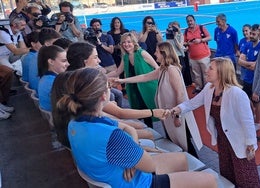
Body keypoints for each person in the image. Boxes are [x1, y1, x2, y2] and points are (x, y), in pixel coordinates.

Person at [55, 67, 217, 188]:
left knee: (182, 158)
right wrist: (131, 159)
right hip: (137, 184)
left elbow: (128, 131)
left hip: (114, 176)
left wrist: (129, 159)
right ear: (104, 96)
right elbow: (150, 166)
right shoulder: (111, 136)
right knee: (210, 180)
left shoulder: (75, 123)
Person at [171, 57, 260, 187]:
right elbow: (193, 103)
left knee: (245, 178)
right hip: (223, 140)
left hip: (239, 142)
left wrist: (250, 144)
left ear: (221, 72)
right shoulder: (209, 88)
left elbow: (247, 121)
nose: (206, 71)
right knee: (227, 174)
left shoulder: (236, 93)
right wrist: (177, 110)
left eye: (211, 68)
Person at [113, 42, 203, 157]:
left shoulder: (172, 70)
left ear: (164, 53)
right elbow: (144, 77)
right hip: (169, 115)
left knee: (185, 144)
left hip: (176, 114)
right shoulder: (163, 69)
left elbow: (180, 94)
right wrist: (122, 81)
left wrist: (177, 116)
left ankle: (193, 169)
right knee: (176, 142)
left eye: (157, 51)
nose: (154, 53)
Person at [108, 32, 159, 128]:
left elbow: (157, 68)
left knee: (152, 111)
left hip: (148, 87)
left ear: (134, 42)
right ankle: (149, 131)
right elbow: (117, 72)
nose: (126, 44)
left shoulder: (142, 53)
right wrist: (103, 76)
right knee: (142, 112)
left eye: (129, 42)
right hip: (134, 89)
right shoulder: (125, 57)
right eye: (124, 42)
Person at [66, 42, 123, 107]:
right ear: (85, 61)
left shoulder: (77, 75)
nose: (99, 61)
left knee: (117, 94)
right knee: (111, 96)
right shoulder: (78, 81)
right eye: (95, 57)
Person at [238, 24, 260, 131]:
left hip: (256, 80)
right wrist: (249, 64)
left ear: (259, 34)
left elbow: (256, 66)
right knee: (247, 101)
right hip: (247, 79)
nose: (251, 35)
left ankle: (257, 123)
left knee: (257, 102)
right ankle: (251, 117)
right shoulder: (247, 45)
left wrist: (247, 63)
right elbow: (240, 61)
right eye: (250, 33)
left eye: (253, 34)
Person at [184, 15, 211, 94]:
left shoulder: (201, 28)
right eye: (188, 21)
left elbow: (209, 37)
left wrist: (200, 40)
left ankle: (207, 89)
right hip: (193, 57)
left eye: (191, 20)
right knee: (197, 75)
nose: (190, 22)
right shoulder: (186, 31)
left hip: (204, 56)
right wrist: (188, 43)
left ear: (194, 20)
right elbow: (184, 42)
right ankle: (199, 88)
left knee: (206, 73)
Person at [38, 45, 69, 111]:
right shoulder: (54, 82)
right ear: (51, 62)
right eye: (64, 61)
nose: (68, 64)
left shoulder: (45, 78)